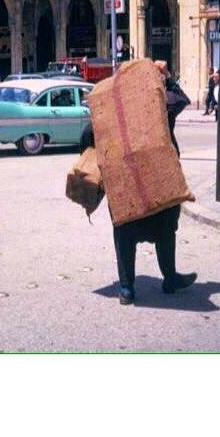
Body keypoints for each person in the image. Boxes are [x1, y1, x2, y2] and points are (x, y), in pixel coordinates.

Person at [81, 118, 197, 305]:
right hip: (157, 187)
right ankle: (170, 279)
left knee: (124, 236)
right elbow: (173, 150)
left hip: (123, 190)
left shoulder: (107, 112)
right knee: (165, 233)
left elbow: (86, 138)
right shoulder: (150, 107)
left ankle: (127, 289)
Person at [154, 60, 190, 156]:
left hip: (169, 108)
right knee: (168, 133)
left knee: (168, 133)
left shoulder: (167, 87)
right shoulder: (167, 85)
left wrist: (165, 73)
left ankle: (175, 154)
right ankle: (174, 154)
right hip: (168, 108)